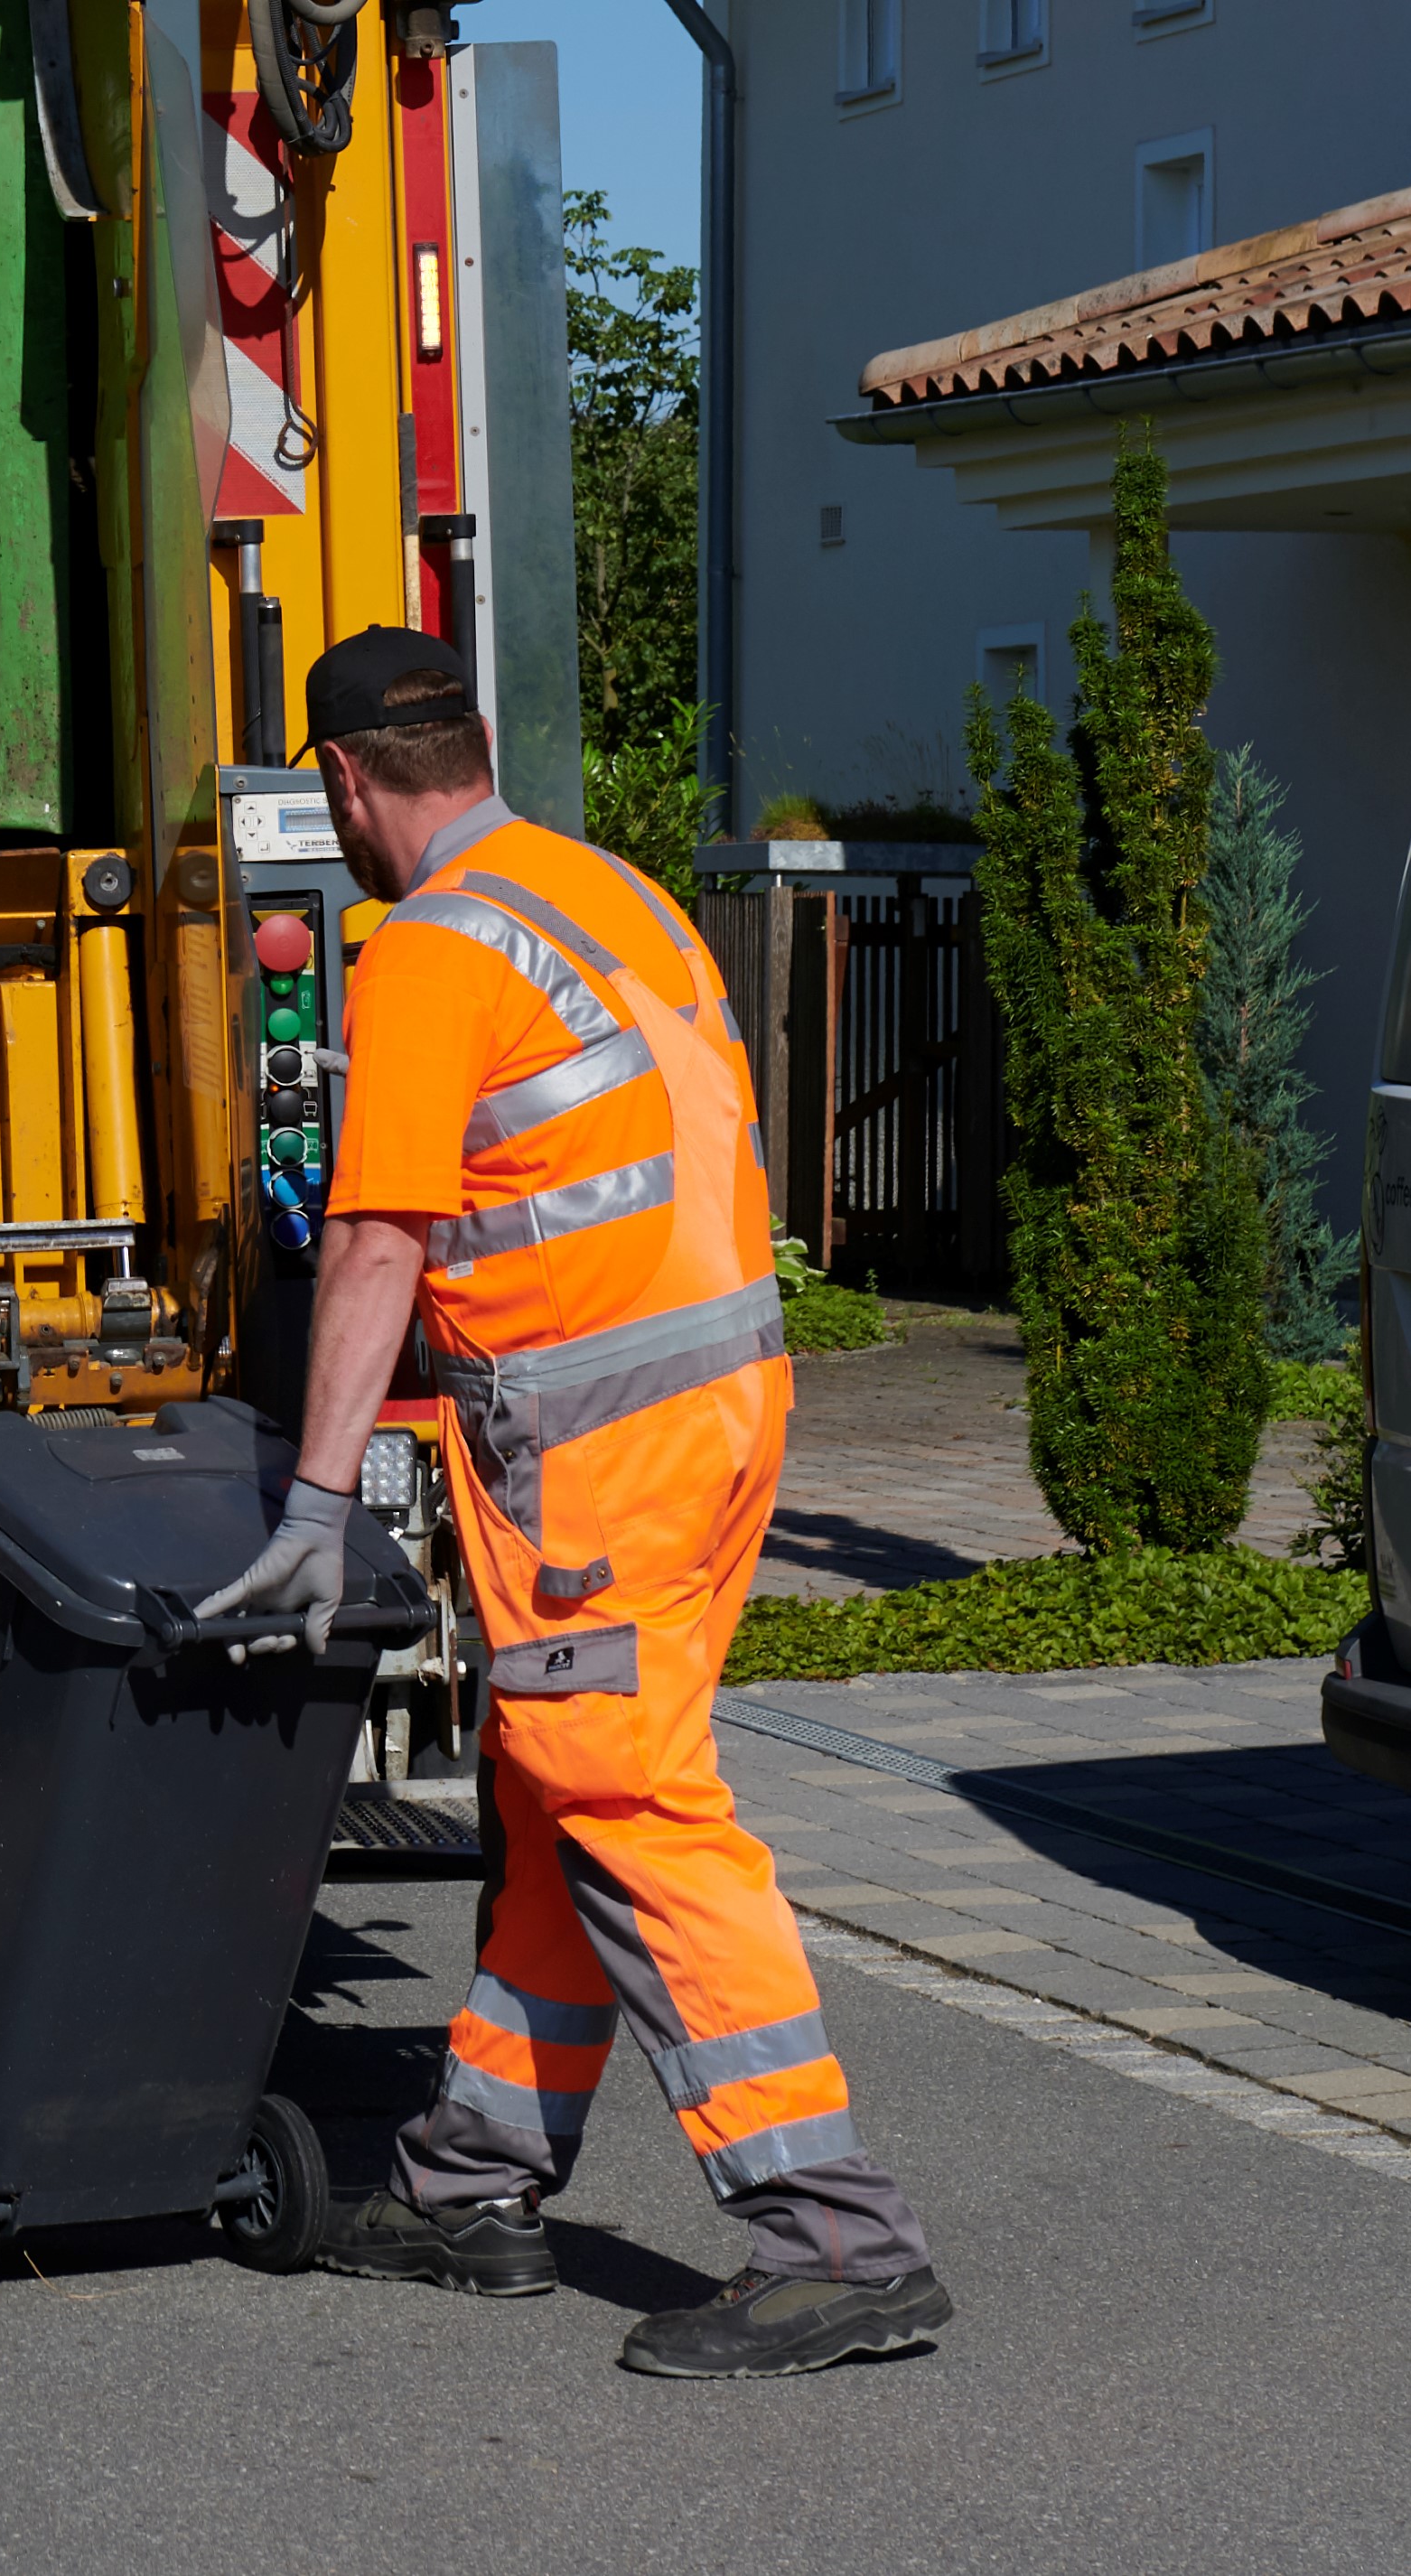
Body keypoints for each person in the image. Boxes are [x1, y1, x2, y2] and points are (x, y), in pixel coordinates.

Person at [197, 627, 951, 2379]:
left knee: (627, 1798)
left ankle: (832, 2233)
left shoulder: (434, 952)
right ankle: (472, 2177)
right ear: (470, 746)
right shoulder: (601, 894)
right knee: (557, 1786)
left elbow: (377, 1235)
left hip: (593, 1440)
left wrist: (313, 1505)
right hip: (721, 1403)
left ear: (339, 784)